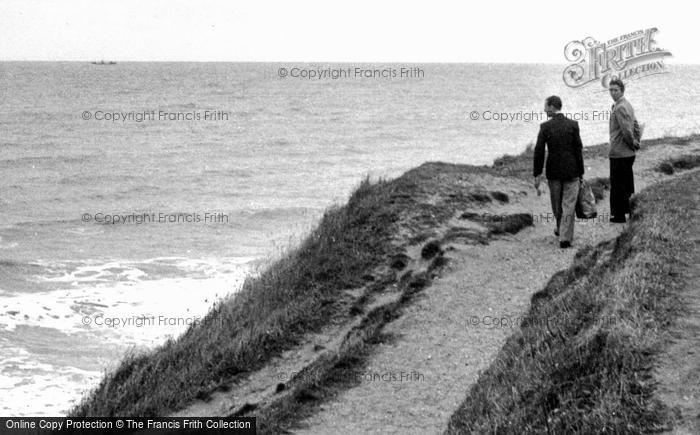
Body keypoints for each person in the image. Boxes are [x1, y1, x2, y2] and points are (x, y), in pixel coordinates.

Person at [533, 95, 585, 249]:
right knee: (569, 204)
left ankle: (562, 233)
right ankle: (565, 236)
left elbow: (539, 152)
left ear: (551, 107)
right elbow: (578, 150)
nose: (544, 109)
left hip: (554, 171)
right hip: (572, 170)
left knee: (557, 205)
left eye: (545, 106)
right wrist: (581, 172)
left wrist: (537, 173)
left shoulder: (545, 127)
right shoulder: (573, 125)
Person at [608, 78, 637, 223]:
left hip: (620, 152)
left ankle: (618, 215)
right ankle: (630, 211)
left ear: (622, 90)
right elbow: (635, 124)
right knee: (626, 183)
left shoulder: (620, 107)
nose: (612, 93)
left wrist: (633, 143)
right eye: (611, 90)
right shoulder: (626, 105)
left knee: (618, 185)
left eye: (615, 90)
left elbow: (627, 130)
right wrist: (635, 142)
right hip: (626, 152)